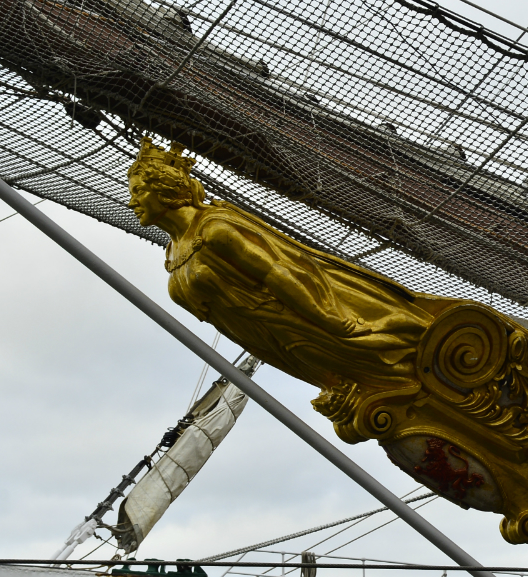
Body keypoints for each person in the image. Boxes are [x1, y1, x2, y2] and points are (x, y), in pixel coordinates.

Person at [127, 138, 449, 390]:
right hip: (275, 343)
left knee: (395, 359)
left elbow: (277, 271)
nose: (131, 201)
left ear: (164, 187)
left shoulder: (213, 231)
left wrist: (328, 318)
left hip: (305, 323)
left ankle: (439, 354)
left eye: (139, 191)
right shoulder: (172, 253)